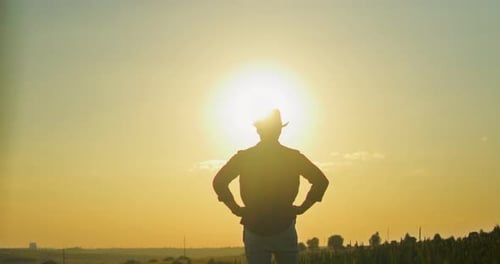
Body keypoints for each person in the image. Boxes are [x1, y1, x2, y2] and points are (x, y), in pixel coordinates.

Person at [213, 109, 329, 264]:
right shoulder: (293, 157)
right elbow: (321, 181)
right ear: (279, 131)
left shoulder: (245, 157)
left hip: (254, 226)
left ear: (259, 131)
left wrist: (235, 208)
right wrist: (302, 207)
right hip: (284, 224)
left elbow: (219, 182)